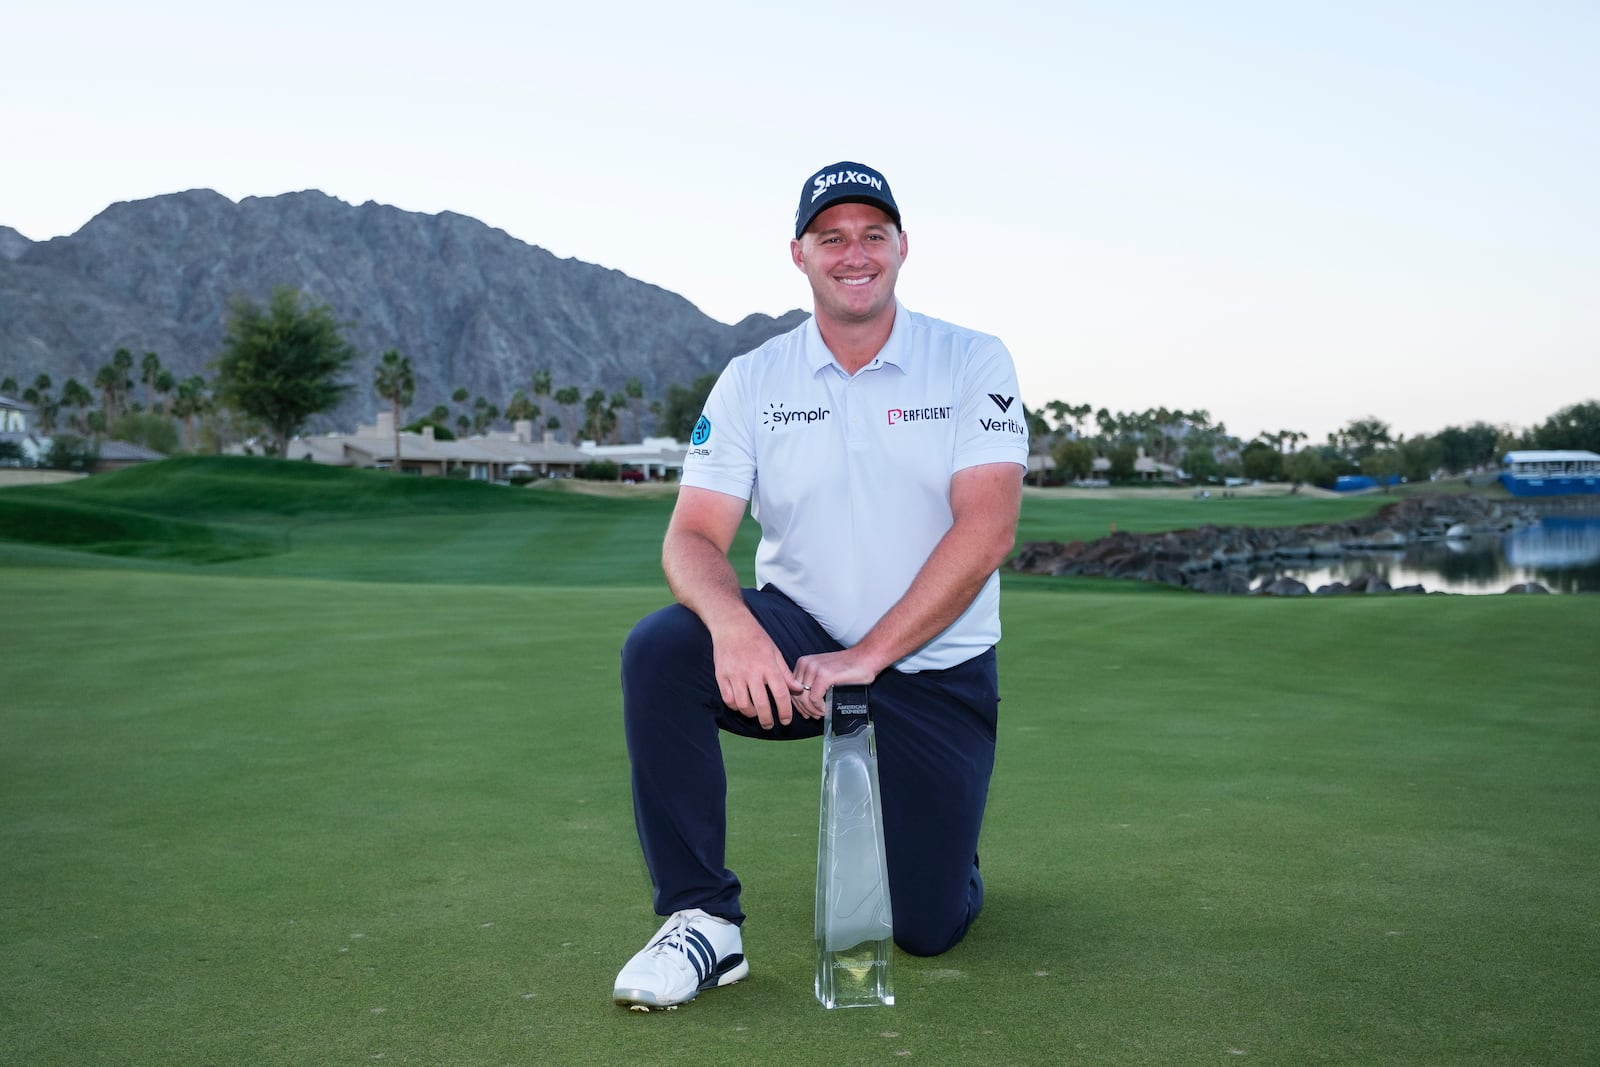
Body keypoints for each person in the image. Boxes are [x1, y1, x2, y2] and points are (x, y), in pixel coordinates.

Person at [612, 161, 1028, 1009]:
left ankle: (949, 856)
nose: (854, 253)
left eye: (873, 234)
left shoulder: (971, 359)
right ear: (798, 255)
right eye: (831, 237)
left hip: (934, 663)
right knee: (661, 651)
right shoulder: (752, 379)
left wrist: (868, 657)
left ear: (903, 247)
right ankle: (704, 922)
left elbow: (987, 529)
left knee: (925, 927)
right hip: (800, 638)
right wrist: (732, 625)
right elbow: (692, 535)